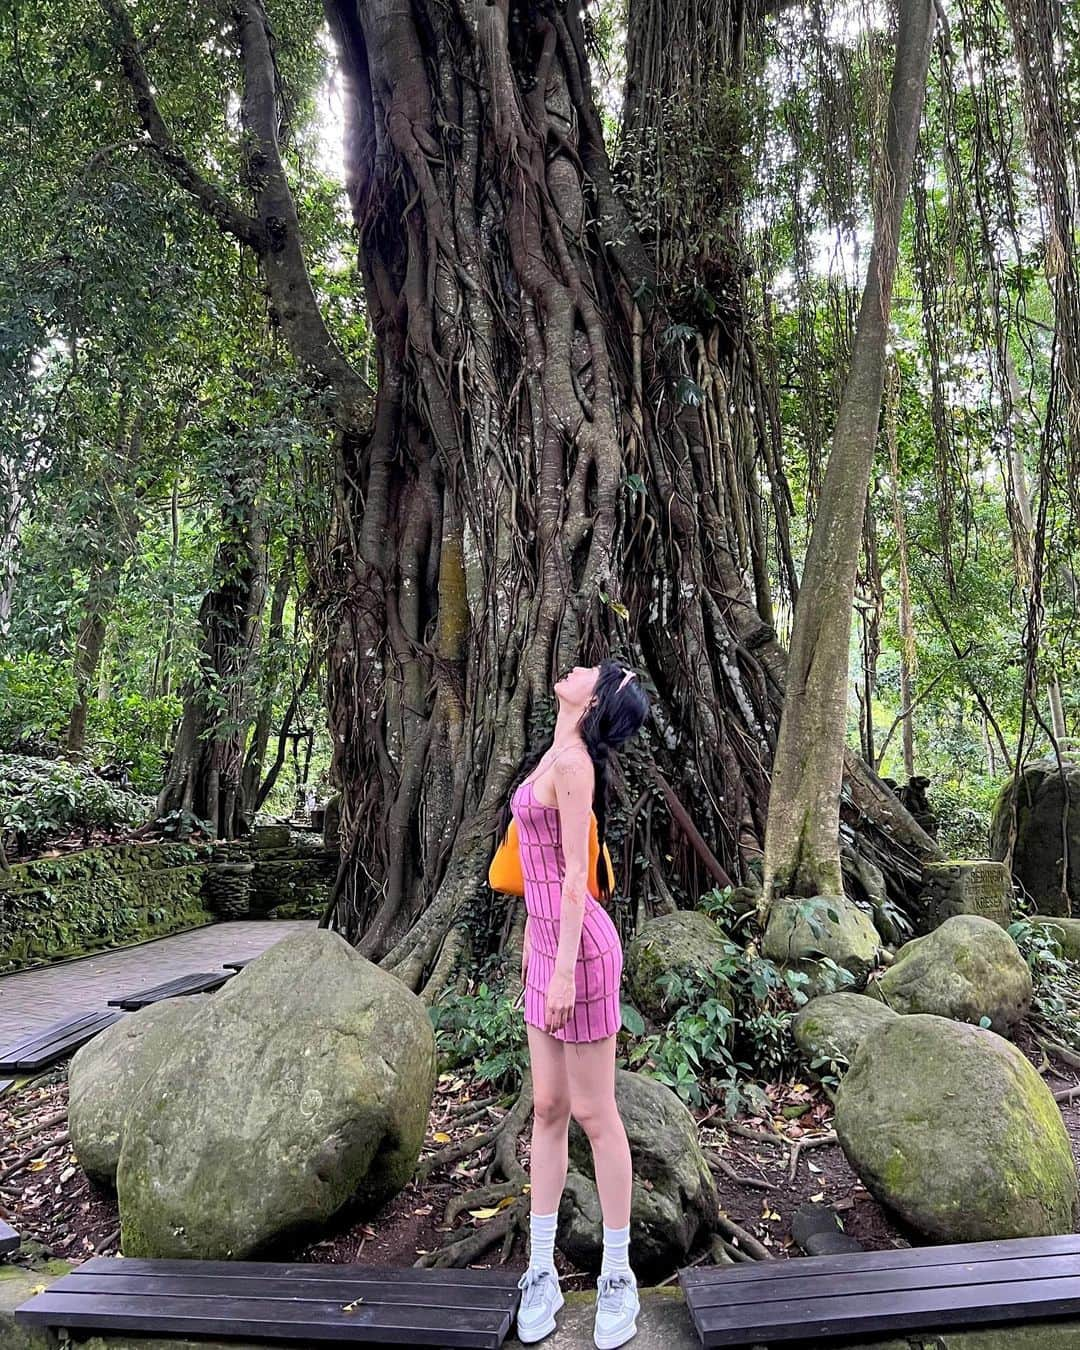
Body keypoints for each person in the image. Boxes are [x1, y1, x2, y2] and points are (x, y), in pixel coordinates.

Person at [499, 659, 650, 1349]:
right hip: (544, 949)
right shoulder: (553, 754)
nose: (578, 663)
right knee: (549, 1109)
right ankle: (540, 1270)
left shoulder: (575, 768)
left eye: (594, 669)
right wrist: (539, 958)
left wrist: (561, 973)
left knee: (594, 1111)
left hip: (578, 953)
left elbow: (571, 879)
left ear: (592, 703)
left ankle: (618, 1277)